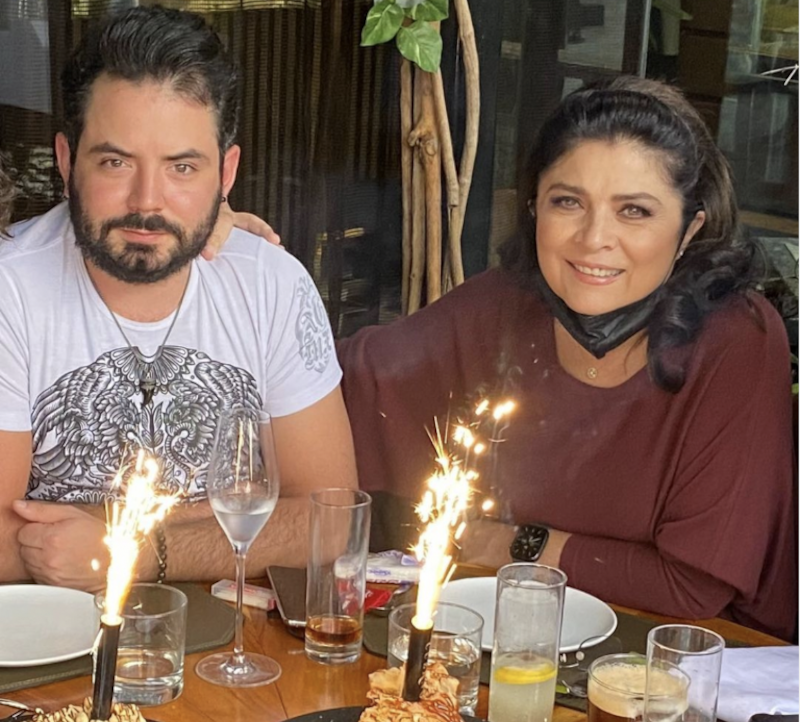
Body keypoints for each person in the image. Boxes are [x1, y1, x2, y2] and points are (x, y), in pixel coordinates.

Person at [227, 77, 796, 640]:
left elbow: (691, 588)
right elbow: (321, 383)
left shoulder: (736, 339)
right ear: (533, 209)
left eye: (635, 211)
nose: (594, 238)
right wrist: (231, 266)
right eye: (568, 202)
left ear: (690, 227)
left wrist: (508, 543)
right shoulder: (508, 305)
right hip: (515, 640)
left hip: (697, 658)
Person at [0, 5, 356, 592]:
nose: (148, 201)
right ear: (66, 161)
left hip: (238, 639)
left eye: (182, 168)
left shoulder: (271, 285)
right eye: (115, 162)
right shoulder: (12, 289)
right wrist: (232, 521)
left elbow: (330, 520)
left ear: (226, 174)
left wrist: (132, 550)